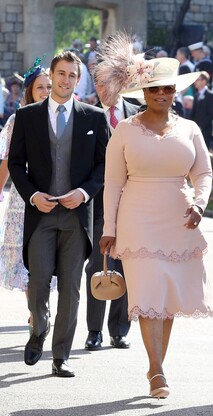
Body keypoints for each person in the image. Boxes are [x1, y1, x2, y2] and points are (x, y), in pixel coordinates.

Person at [96, 34, 213, 398]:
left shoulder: (190, 129)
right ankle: (157, 371)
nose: (161, 95)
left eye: (166, 89)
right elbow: (112, 183)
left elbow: (205, 173)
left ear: (174, 92)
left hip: (179, 221)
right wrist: (109, 228)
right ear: (143, 94)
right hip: (137, 222)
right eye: (154, 90)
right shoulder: (125, 131)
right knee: (148, 294)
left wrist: (200, 204)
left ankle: (156, 366)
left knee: (166, 300)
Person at [8, 51, 109, 377]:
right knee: (37, 283)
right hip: (41, 214)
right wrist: (33, 195)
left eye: (72, 76)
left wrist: (82, 193)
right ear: (52, 75)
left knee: (71, 287)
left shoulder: (94, 117)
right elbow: (15, 164)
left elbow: (103, 165)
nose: (66, 80)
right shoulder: (27, 116)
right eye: (61, 74)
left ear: (78, 80)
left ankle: (60, 356)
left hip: (76, 217)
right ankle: (39, 328)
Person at [82, 69, 140, 352]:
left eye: (112, 83)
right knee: (97, 266)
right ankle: (94, 331)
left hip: (134, 202)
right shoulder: (87, 115)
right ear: (96, 85)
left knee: (127, 266)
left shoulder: (138, 112)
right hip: (98, 203)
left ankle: (119, 329)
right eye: (101, 83)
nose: (107, 88)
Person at [0, 62, 55, 312]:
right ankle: (36, 313)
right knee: (26, 261)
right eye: (40, 87)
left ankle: (42, 308)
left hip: (54, 195)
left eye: (49, 86)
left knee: (49, 257)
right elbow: (7, 161)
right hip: (22, 199)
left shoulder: (61, 117)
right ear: (30, 90)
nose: (45, 91)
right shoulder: (17, 119)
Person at [191, 72, 213, 147]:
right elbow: (193, 113)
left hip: (205, 130)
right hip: (196, 129)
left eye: (198, 80)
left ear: (204, 81)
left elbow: (211, 114)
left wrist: (201, 126)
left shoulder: (210, 95)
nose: (195, 82)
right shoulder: (196, 95)